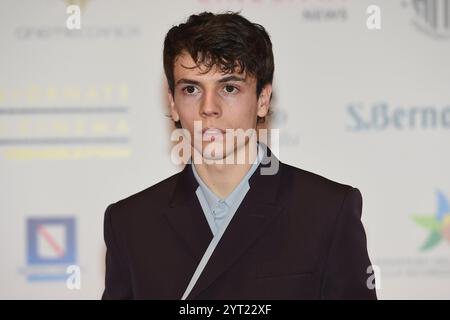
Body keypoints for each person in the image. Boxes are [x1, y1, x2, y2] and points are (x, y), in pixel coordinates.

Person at [102, 11, 377, 300]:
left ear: (262, 99)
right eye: (192, 89)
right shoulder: (131, 224)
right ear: (173, 103)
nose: (209, 108)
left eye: (229, 88)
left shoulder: (327, 211)